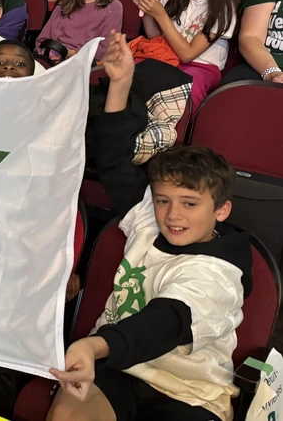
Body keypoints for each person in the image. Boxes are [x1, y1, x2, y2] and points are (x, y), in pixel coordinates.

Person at [48, 32, 247, 421]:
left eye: (190, 204)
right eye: (163, 201)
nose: (172, 215)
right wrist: (120, 84)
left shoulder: (221, 271)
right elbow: (113, 161)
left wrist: (93, 346)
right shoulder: (148, 219)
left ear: (221, 211)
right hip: (114, 369)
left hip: (186, 392)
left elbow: (166, 322)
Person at [132, 0, 242, 109]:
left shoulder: (225, 7)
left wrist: (160, 15)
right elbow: (156, 36)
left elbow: (187, 54)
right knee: (130, 73)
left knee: (181, 90)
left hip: (200, 66)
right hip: (165, 56)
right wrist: (146, 10)